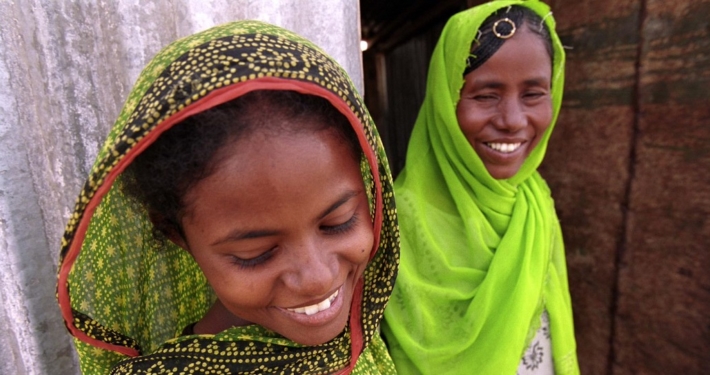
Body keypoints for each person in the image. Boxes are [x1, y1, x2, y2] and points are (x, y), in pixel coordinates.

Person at [56, 20, 398, 374]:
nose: (317, 278)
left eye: (338, 223)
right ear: (178, 237)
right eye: (255, 254)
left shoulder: (360, 328)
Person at [381, 1, 579, 374]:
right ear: (445, 100)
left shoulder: (535, 203)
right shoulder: (394, 225)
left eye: (533, 94)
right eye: (486, 95)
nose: (512, 121)